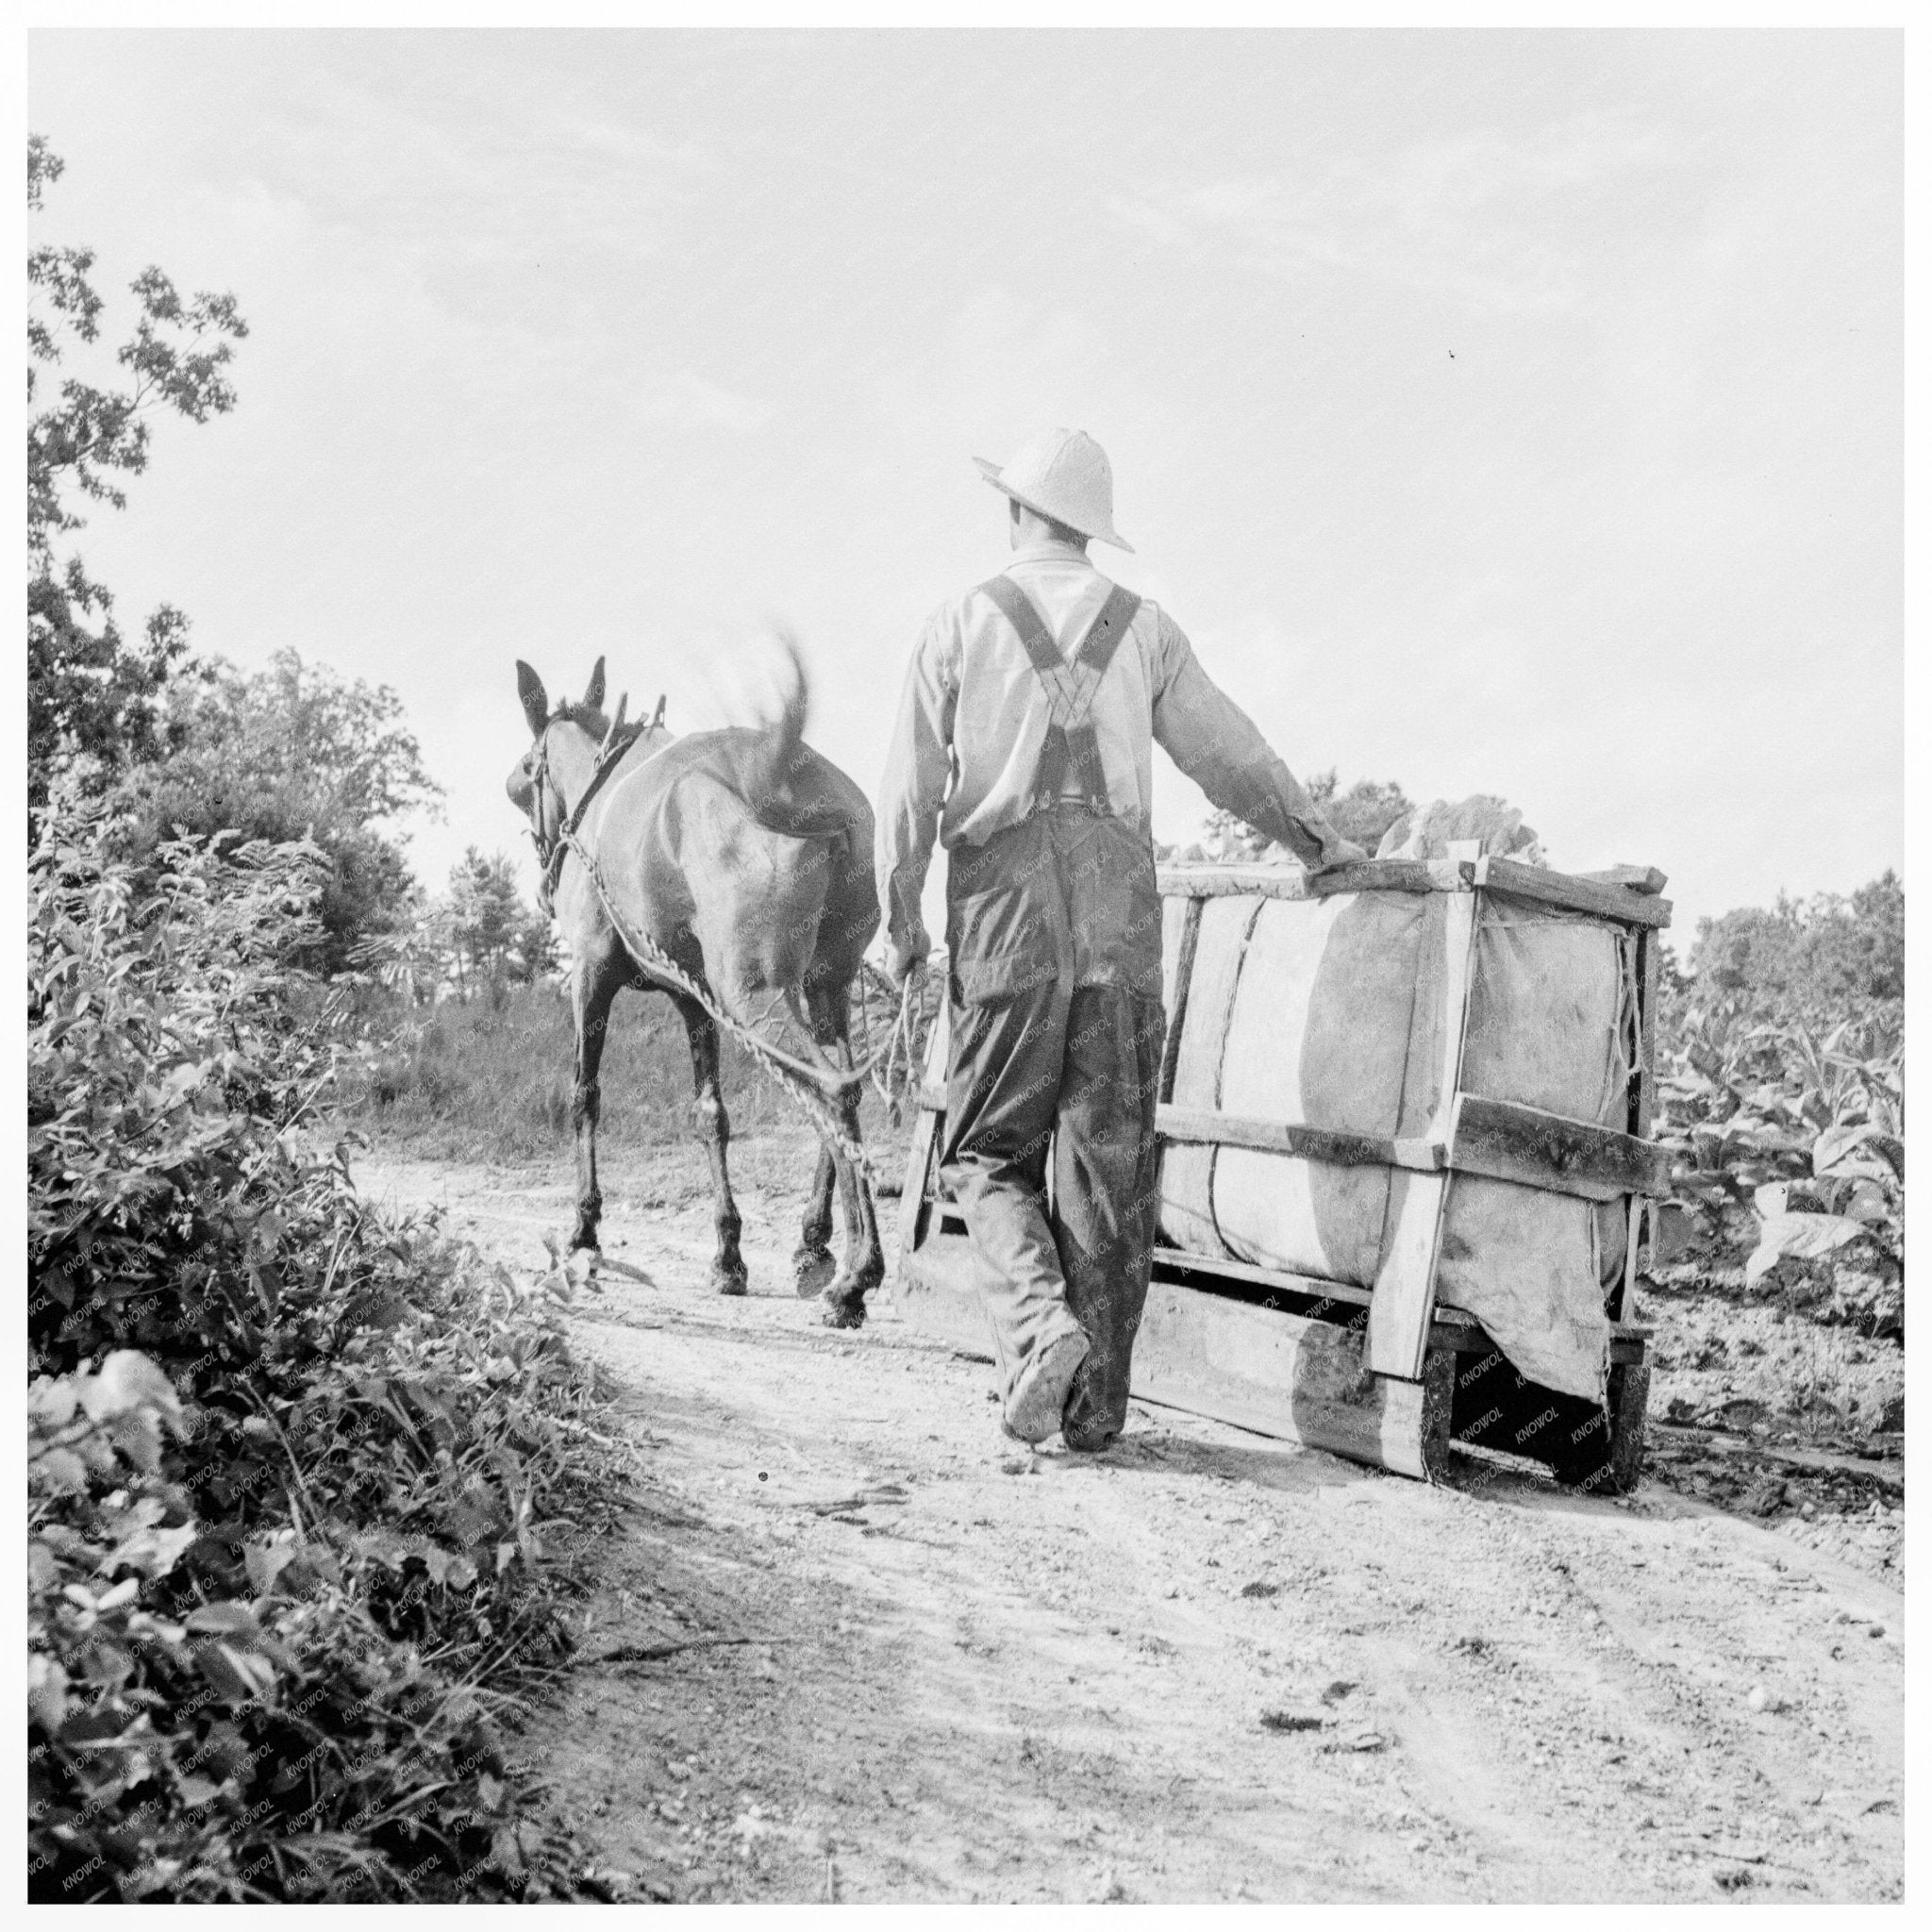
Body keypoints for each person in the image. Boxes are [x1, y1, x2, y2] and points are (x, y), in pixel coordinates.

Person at [876, 427, 1365, 1452]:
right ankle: (1094, 1411)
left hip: (1002, 903)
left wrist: (899, 921)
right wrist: (1318, 842)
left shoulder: (959, 622)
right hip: (1119, 903)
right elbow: (1227, 754)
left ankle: (1034, 1325)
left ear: (1013, 512)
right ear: (1091, 531)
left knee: (982, 1150)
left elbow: (909, 792)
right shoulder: (1144, 629)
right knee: (1107, 1161)